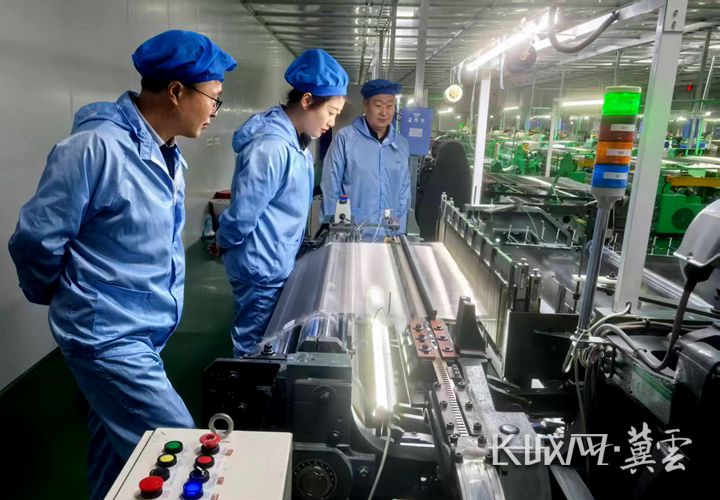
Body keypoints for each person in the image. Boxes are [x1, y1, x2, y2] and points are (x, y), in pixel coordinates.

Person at [7, 30, 236, 500]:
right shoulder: (95, 149)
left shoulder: (167, 154)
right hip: (108, 337)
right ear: (176, 92)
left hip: (142, 331)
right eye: (214, 98)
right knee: (180, 455)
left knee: (116, 457)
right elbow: (35, 238)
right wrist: (65, 295)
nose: (216, 110)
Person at [217, 49, 347, 357]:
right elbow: (243, 215)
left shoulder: (297, 143)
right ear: (307, 101)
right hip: (260, 268)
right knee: (253, 347)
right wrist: (224, 242)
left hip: (274, 261)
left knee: (268, 340)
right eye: (330, 112)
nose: (331, 123)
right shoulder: (272, 148)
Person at [321, 78, 410, 240]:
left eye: (389, 106)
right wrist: (333, 230)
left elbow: (404, 192)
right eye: (378, 105)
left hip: (388, 235)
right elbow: (330, 186)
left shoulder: (401, 144)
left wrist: (400, 232)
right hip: (351, 233)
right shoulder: (346, 138)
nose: (384, 112)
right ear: (365, 105)